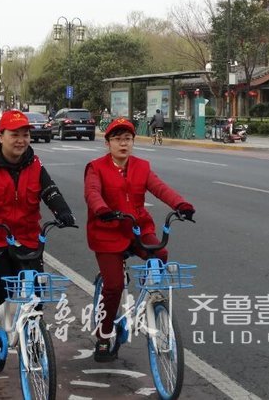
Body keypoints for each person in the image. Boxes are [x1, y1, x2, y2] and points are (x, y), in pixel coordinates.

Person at [84, 117, 195, 362]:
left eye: (127, 139)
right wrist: (101, 209)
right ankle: (104, 335)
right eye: (117, 139)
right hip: (108, 230)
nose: (123, 144)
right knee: (113, 286)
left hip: (137, 227)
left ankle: (150, 296)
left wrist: (181, 204)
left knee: (160, 254)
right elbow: (92, 192)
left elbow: (160, 188)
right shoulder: (96, 167)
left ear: (133, 142)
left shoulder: (142, 167)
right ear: (108, 143)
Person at [0, 109, 76, 347]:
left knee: (37, 295)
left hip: (27, 236)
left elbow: (50, 191)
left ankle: (35, 346)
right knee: (1, 285)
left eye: (25, 134)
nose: (21, 140)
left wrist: (63, 211)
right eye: (15, 134)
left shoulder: (34, 163)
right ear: (0, 136)